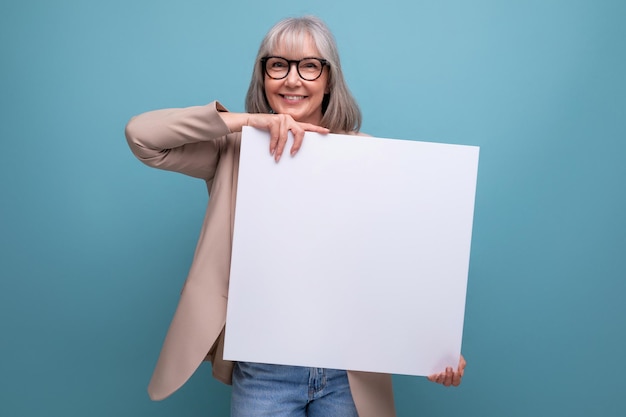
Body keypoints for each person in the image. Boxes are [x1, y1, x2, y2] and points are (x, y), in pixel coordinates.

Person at [125, 15, 466, 417]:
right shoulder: (234, 148)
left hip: (349, 371)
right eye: (278, 65)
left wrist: (432, 345)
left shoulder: (368, 154)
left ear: (328, 79)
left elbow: (398, 257)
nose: (292, 79)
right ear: (263, 75)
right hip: (265, 369)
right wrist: (249, 121)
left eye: (309, 65)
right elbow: (142, 136)